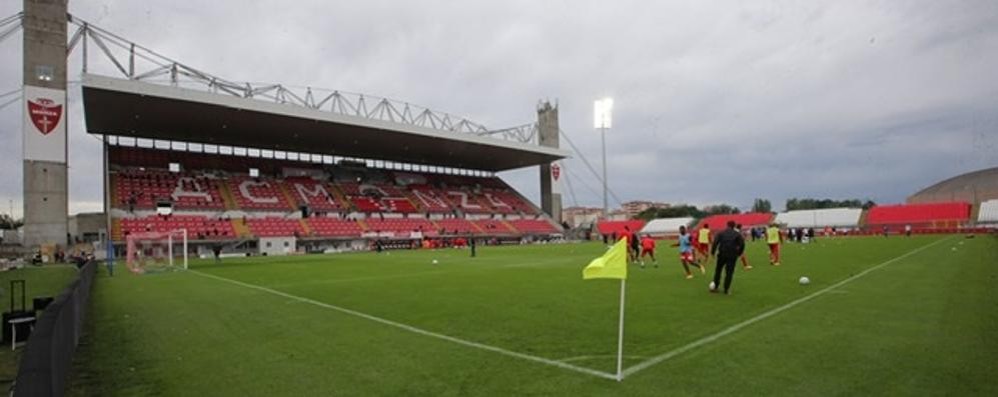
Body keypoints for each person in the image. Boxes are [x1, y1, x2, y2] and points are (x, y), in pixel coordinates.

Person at [710, 221, 745, 295]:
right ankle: (726, 289)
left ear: (727, 225)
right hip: (732, 255)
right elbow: (742, 244)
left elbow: (715, 242)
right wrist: (739, 253)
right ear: (734, 226)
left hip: (722, 254)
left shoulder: (721, 233)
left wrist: (713, 252)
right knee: (729, 272)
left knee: (718, 270)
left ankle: (716, 286)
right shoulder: (737, 234)